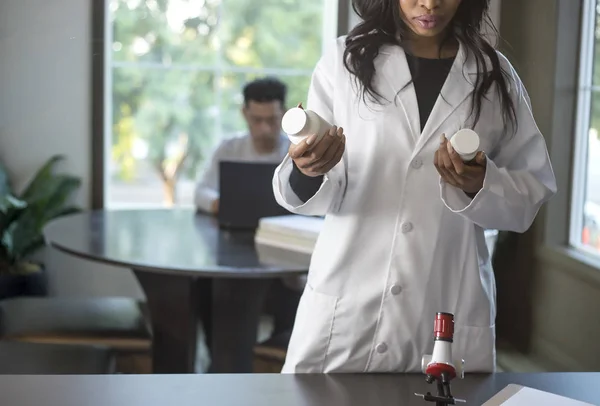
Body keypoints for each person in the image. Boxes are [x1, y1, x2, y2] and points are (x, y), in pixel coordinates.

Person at [272, 0, 557, 374]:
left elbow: (531, 190)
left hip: (445, 300)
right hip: (349, 304)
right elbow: (321, 173)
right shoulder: (344, 63)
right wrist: (307, 168)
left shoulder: (495, 76)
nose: (430, 3)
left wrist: (479, 183)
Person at [194, 77, 290, 214]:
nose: (265, 129)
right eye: (257, 120)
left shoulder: (296, 152)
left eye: (271, 120)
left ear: (284, 113)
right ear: (245, 113)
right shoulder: (228, 149)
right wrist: (224, 204)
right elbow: (201, 192)